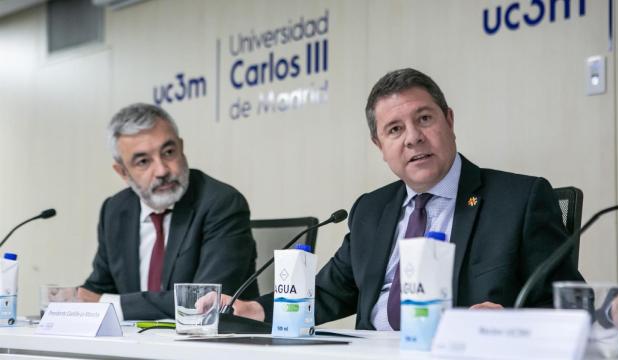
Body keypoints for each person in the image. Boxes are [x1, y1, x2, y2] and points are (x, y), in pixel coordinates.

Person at [223, 68, 583, 330]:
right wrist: (257, 309)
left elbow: (570, 305)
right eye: (394, 130)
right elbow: (331, 292)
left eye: (424, 119)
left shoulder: (518, 199)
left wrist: (510, 323)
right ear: (380, 146)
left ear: (449, 121)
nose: (413, 138)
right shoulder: (370, 210)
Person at [77, 103, 258, 320]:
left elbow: (206, 301)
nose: (162, 170)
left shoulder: (221, 203)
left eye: (169, 152)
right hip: (135, 345)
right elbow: (96, 291)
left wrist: (111, 303)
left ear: (181, 147)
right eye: (143, 161)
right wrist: (70, 300)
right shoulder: (115, 210)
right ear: (123, 172)